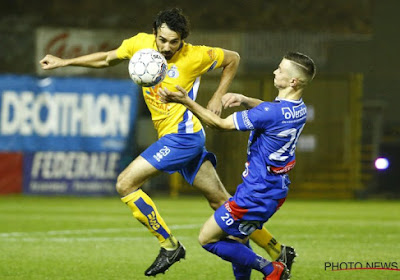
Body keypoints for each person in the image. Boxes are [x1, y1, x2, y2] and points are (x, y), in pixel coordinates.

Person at [39, 8, 296, 277]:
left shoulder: (195, 55)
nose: (167, 47)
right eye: (162, 40)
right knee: (221, 202)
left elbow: (233, 59)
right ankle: (278, 251)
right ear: (155, 33)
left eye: (174, 42)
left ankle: (169, 245)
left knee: (125, 183)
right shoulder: (140, 45)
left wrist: (218, 96)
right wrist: (64, 62)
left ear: (183, 39)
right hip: (179, 138)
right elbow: (106, 58)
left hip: (183, 138)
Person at [159, 51, 316, 280]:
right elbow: (270, 111)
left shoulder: (270, 113)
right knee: (237, 240)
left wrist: (186, 101)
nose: (275, 71)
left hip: (255, 194)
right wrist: (244, 99)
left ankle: (272, 269)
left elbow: (220, 124)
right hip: (274, 190)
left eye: (280, 69)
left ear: (293, 81)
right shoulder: (298, 109)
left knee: (207, 239)